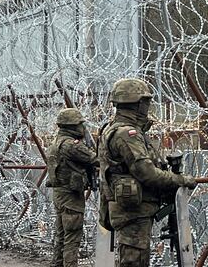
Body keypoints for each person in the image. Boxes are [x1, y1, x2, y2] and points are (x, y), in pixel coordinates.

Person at [98, 78, 196, 267]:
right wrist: (181, 179)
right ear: (137, 104)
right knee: (134, 261)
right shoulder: (127, 134)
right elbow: (147, 173)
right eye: (146, 102)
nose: (148, 106)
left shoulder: (116, 129)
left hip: (132, 210)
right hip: (133, 212)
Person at [47, 107, 99, 267]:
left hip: (60, 195)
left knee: (61, 236)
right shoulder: (71, 145)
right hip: (71, 196)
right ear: (71, 127)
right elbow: (95, 159)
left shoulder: (56, 143)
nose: (83, 128)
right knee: (72, 239)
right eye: (80, 125)